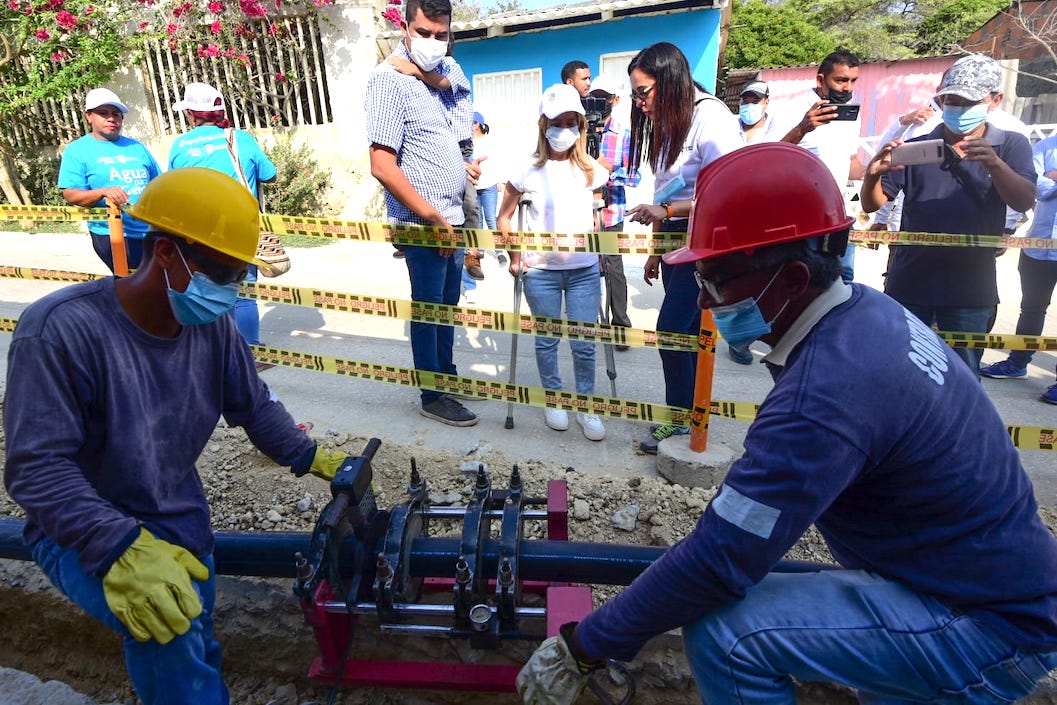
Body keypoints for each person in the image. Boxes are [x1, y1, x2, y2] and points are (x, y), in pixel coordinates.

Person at [516, 143, 1057, 705]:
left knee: (729, 635)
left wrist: (585, 646)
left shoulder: (828, 391)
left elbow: (722, 559)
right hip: (971, 586)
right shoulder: (865, 313)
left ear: (794, 278)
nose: (703, 300)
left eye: (716, 278)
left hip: (984, 627)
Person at [3, 168, 350, 705]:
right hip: (79, 527)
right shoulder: (61, 330)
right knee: (169, 637)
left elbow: (254, 405)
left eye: (240, 277)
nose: (232, 291)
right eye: (225, 274)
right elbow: (36, 469)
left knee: (198, 637)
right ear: (166, 252)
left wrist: (315, 457)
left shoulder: (211, 328)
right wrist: (118, 546)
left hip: (177, 517)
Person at [861, 54, 1036, 378]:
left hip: (970, 289)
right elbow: (873, 204)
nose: (956, 109)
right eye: (949, 101)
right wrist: (873, 174)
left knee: (962, 377)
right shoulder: (918, 147)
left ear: (994, 101)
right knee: (899, 371)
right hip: (910, 282)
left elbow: (1024, 199)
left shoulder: (1010, 145)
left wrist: (994, 164)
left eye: (967, 102)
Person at [622, 42, 742, 452]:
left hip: (705, 242)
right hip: (676, 239)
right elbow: (663, 187)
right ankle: (692, 421)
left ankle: (680, 421)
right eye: (636, 94)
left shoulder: (712, 118)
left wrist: (669, 209)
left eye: (644, 92)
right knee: (687, 335)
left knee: (673, 332)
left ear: (670, 81)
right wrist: (657, 248)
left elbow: (732, 191)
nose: (639, 103)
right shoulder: (670, 120)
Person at [365, 0, 478, 427]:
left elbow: (460, 93)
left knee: (447, 306)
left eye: (441, 34)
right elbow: (382, 165)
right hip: (424, 223)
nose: (433, 42)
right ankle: (432, 394)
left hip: (453, 216)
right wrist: (430, 216)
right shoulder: (387, 81)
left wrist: (428, 74)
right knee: (429, 308)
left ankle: (445, 378)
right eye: (424, 33)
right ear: (405, 26)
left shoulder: (442, 76)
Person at [497, 84, 609, 441]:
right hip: (541, 271)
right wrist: (515, 256)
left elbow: (597, 216)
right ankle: (555, 400)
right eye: (557, 122)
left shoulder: (592, 170)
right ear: (544, 125)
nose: (564, 129)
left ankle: (587, 406)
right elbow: (504, 218)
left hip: (584, 272)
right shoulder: (526, 170)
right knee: (547, 341)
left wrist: (600, 250)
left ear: (580, 125)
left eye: (571, 121)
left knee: (583, 342)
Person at [168, 82, 277, 360]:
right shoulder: (240, 139)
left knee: (213, 291)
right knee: (244, 293)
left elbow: (174, 187)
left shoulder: (180, 145)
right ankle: (250, 355)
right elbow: (270, 175)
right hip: (242, 228)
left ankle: (223, 353)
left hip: (201, 232)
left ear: (192, 115)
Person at [980, 131, 1057, 404]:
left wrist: (1054, 176)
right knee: (1032, 308)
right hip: (1039, 247)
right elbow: (1038, 191)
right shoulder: (1046, 146)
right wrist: (1049, 181)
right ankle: (1017, 364)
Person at [779, 49, 864, 282]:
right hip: (801, 220)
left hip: (838, 216)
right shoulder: (791, 110)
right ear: (820, 80)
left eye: (853, 81)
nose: (848, 88)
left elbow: (850, 161)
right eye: (841, 80)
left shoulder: (852, 115)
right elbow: (770, 158)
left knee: (843, 279)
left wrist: (876, 169)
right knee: (803, 283)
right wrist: (802, 128)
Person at [58, 88, 162, 272]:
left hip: (151, 232)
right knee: (136, 288)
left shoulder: (136, 147)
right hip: (113, 235)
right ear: (89, 116)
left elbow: (158, 184)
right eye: (103, 113)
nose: (111, 118)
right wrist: (102, 192)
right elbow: (71, 194)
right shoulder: (77, 151)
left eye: (116, 114)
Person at [588, 74, 642, 350]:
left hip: (610, 213)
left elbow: (633, 177)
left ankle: (620, 327)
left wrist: (605, 168)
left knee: (613, 269)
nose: (598, 103)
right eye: (593, 97)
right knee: (582, 269)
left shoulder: (624, 134)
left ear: (615, 100)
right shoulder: (578, 129)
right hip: (580, 214)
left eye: (603, 98)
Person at [737, 80, 780, 145]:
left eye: (755, 101)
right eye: (746, 101)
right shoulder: (731, 127)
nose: (750, 105)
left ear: (766, 102)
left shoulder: (774, 129)